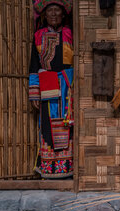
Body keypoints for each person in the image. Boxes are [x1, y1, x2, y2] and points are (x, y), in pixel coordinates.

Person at [29, 0, 74, 179]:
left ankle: (67, 166)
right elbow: (33, 64)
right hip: (46, 84)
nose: (54, 14)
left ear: (63, 15)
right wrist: (34, 92)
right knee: (47, 124)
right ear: (44, 15)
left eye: (57, 11)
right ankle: (48, 168)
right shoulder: (38, 35)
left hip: (67, 87)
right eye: (50, 11)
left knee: (66, 122)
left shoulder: (70, 34)